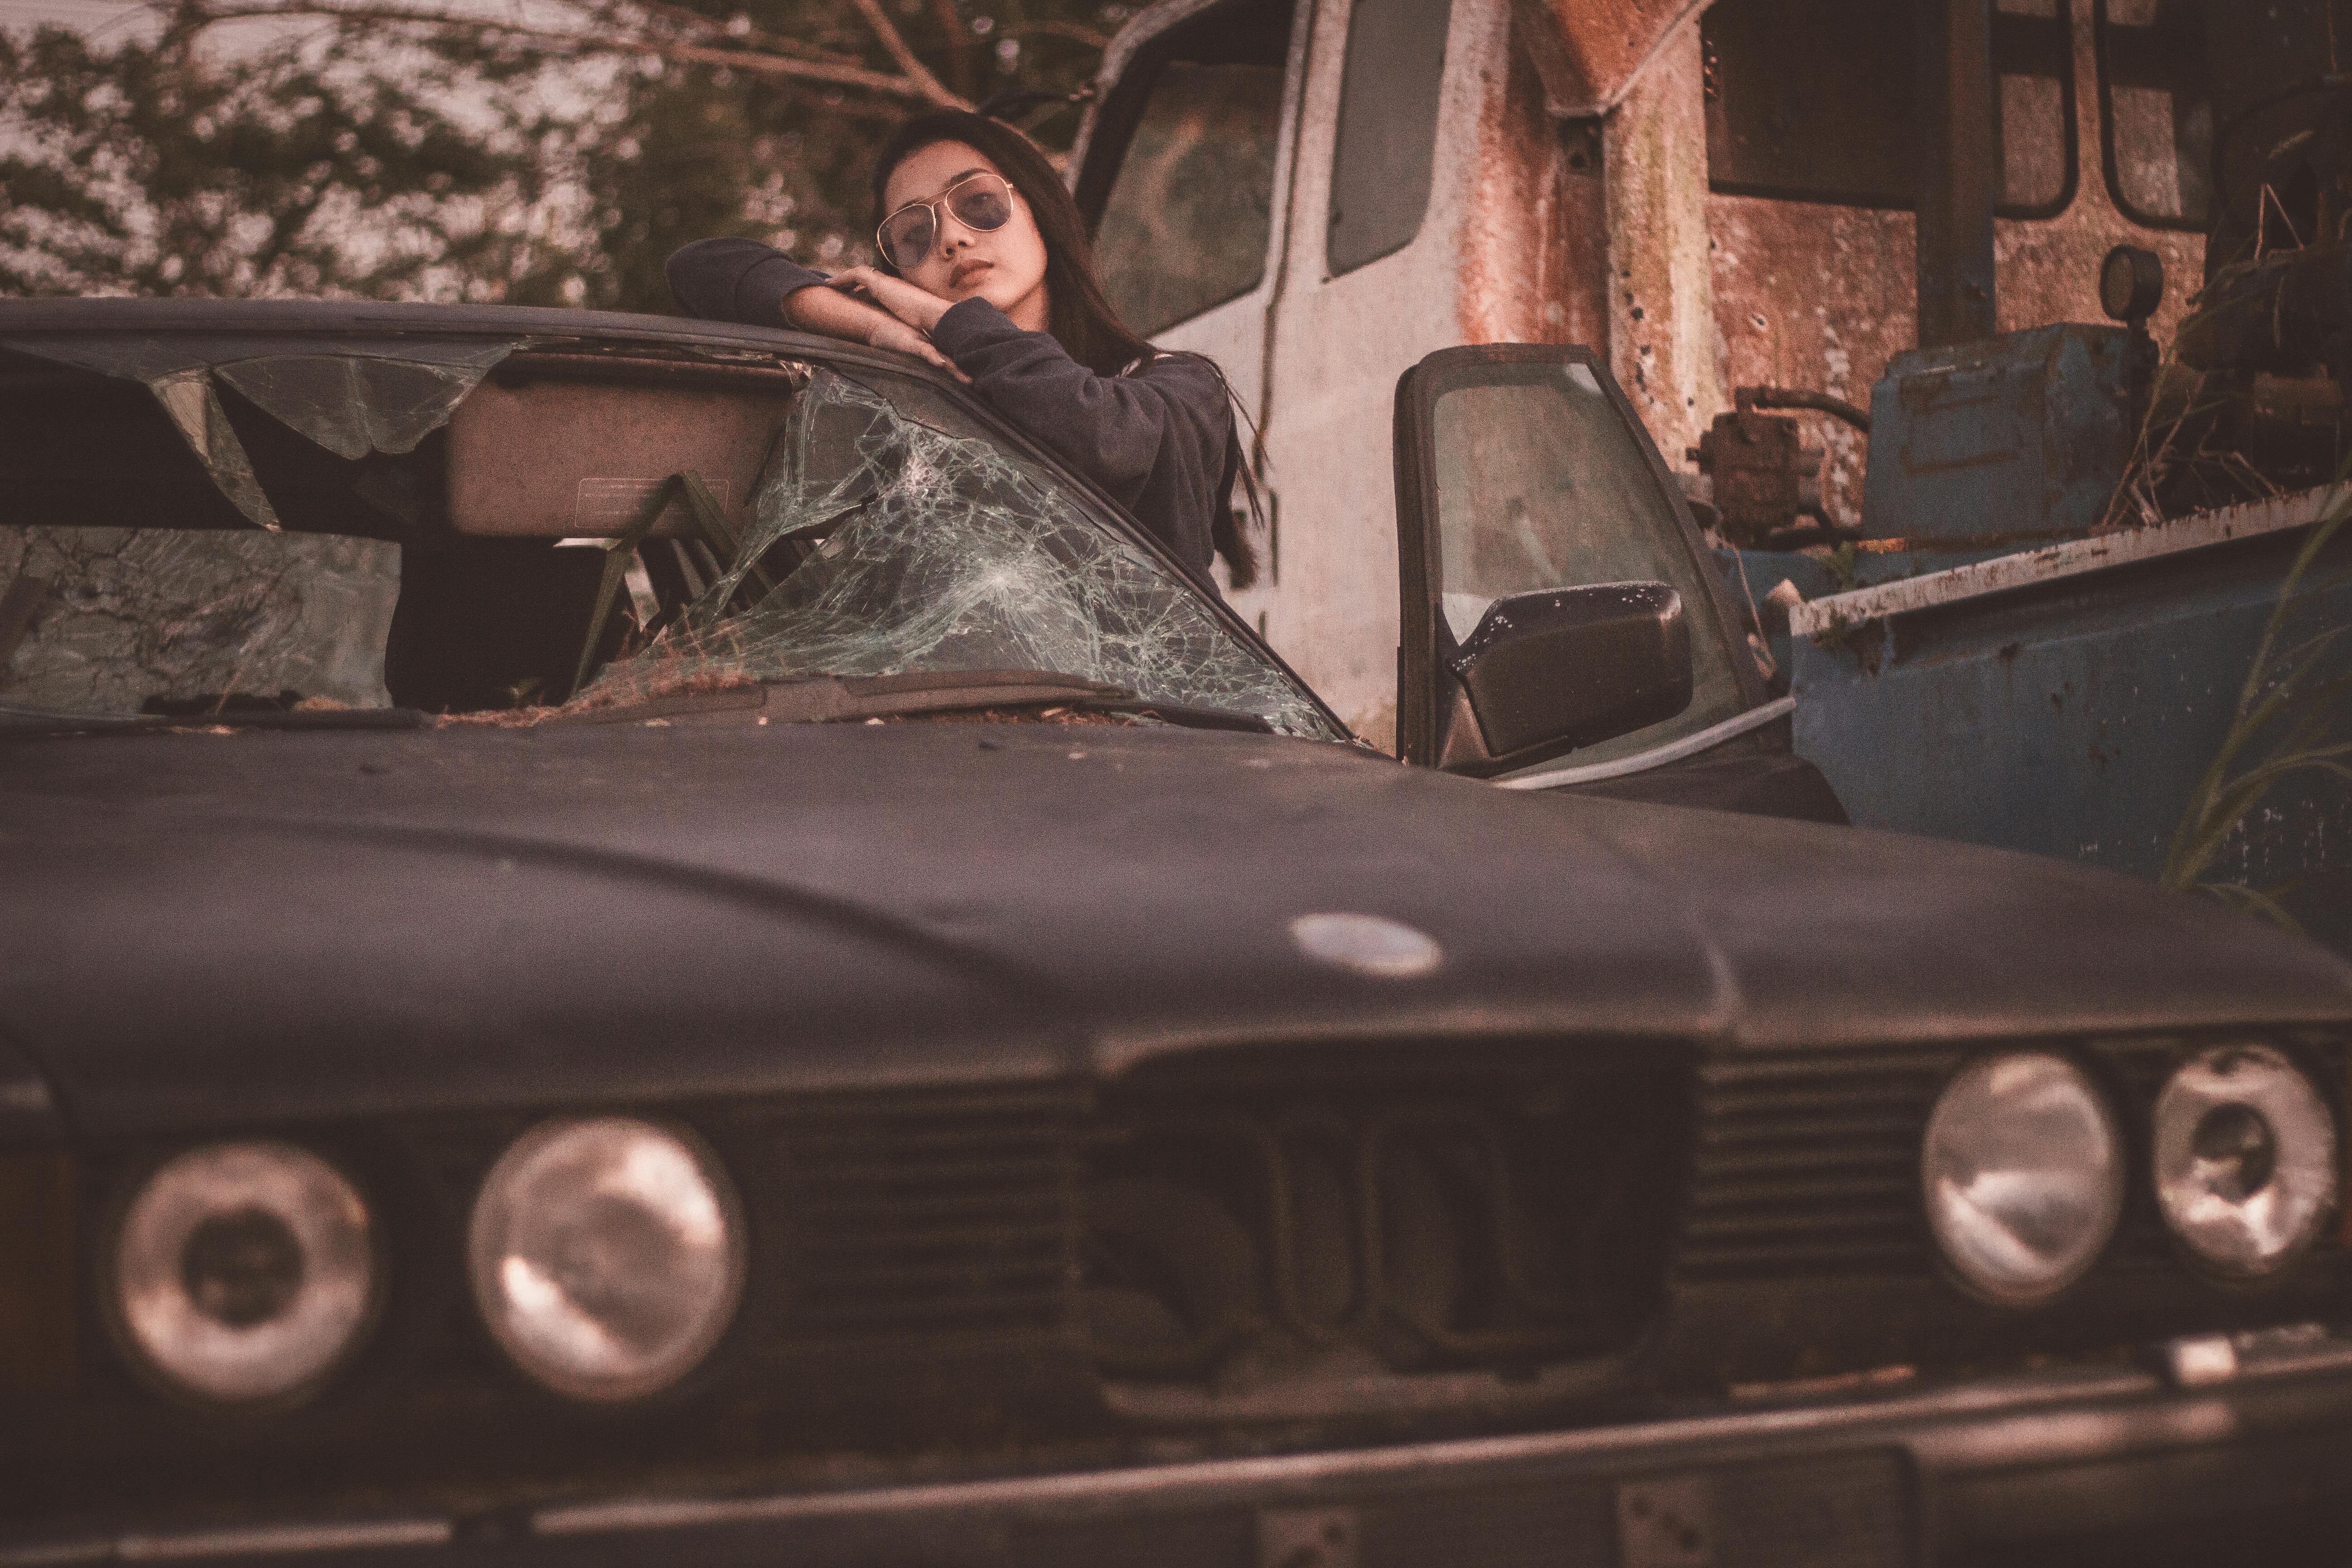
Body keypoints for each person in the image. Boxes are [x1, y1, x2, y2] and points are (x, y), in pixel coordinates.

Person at [666, 110, 1257, 588]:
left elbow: (1093, 434)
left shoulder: (1178, 387)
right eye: (913, 234)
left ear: (1038, 211)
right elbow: (701, 267)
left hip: (1164, 730)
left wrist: (941, 317)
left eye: (977, 203)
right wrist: (873, 327)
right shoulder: (921, 405)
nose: (951, 237)